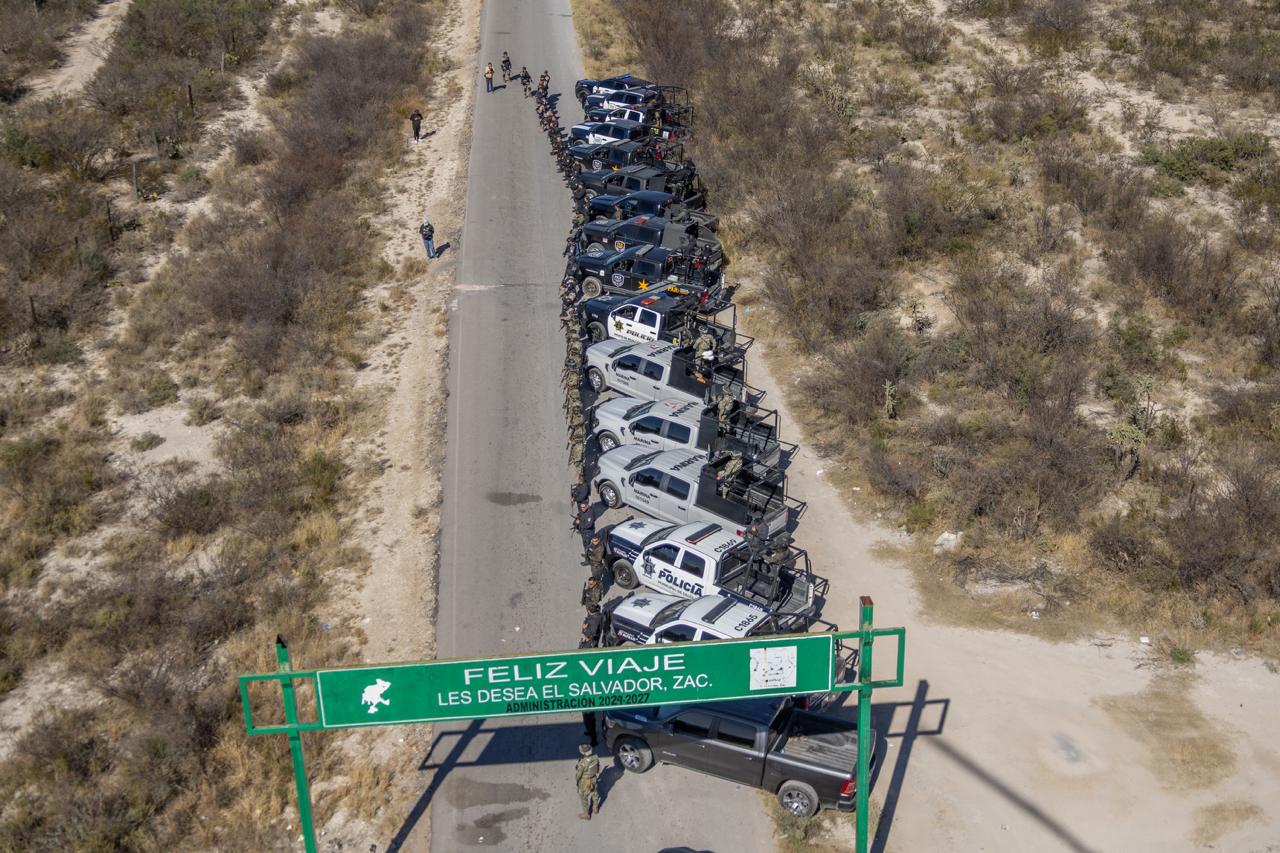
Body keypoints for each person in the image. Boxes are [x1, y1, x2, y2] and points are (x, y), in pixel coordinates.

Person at [575, 743, 601, 820]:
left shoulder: (582, 763)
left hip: (585, 782)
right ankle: (595, 808)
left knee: (584, 798)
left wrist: (577, 781)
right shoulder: (595, 757)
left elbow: (578, 776)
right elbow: (598, 768)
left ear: (582, 752)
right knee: (594, 793)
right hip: (593, 779)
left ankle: (586, 815)